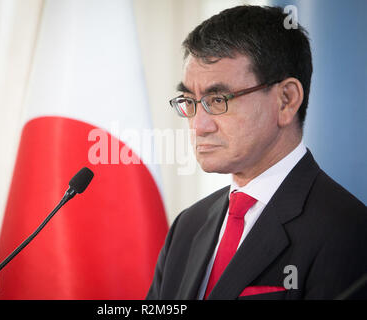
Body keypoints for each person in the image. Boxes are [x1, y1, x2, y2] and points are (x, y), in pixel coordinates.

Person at [146, 5, 367, 300]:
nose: (198, 125)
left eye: (218, 99)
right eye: (189, 100)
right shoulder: (187, 226)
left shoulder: (349, 232)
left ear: (286, 101)